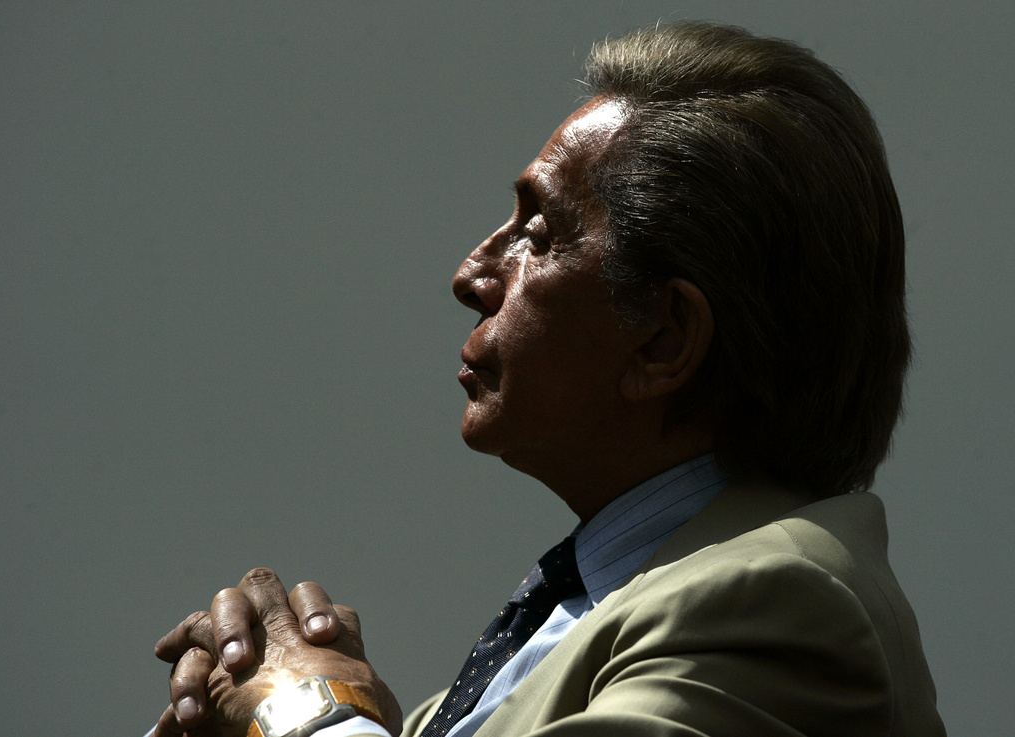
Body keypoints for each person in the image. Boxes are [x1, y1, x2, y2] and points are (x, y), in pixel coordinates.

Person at [149, 21, 946, 737]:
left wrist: (305, 710)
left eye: (537, 231)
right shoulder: (578, 628)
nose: (472, 274)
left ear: (664, 337)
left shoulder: (777, 602)